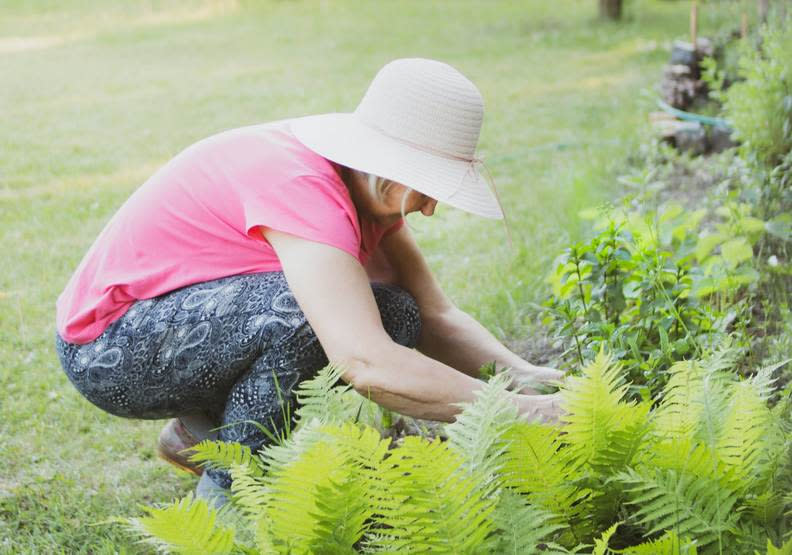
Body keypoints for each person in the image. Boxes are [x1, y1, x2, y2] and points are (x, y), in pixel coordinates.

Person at [54, 58, 563, 503]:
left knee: (396, 311)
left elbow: (436, 315)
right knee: (305, 321)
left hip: (175, 325)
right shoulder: (303, 189)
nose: (431, 208)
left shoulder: (367, 193)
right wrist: (524, 412)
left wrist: (539, 382)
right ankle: (237, 492)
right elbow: (365, 361)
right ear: (387, 166)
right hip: (108, 348)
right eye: (429, 186)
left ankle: (199, 433)